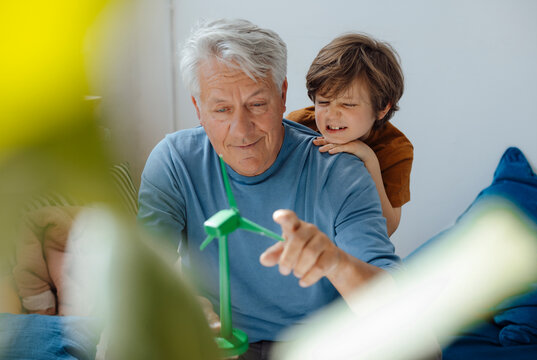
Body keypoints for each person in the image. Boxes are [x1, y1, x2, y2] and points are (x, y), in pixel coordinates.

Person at [137, 19, 401, 359]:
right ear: (198, 108)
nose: (242, 130)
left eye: (257, 105)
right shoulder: (174, 161)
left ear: (281, 95)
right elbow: (141, 272)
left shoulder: (339, 169)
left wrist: (335, 262)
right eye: (222, 109)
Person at [287, 33, 413, 236]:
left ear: (381, 108)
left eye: (348, 104)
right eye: (323, 102)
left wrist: (368, 158)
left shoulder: (395, 149)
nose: (332, 114)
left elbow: (387, 228)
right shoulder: (299, 124)